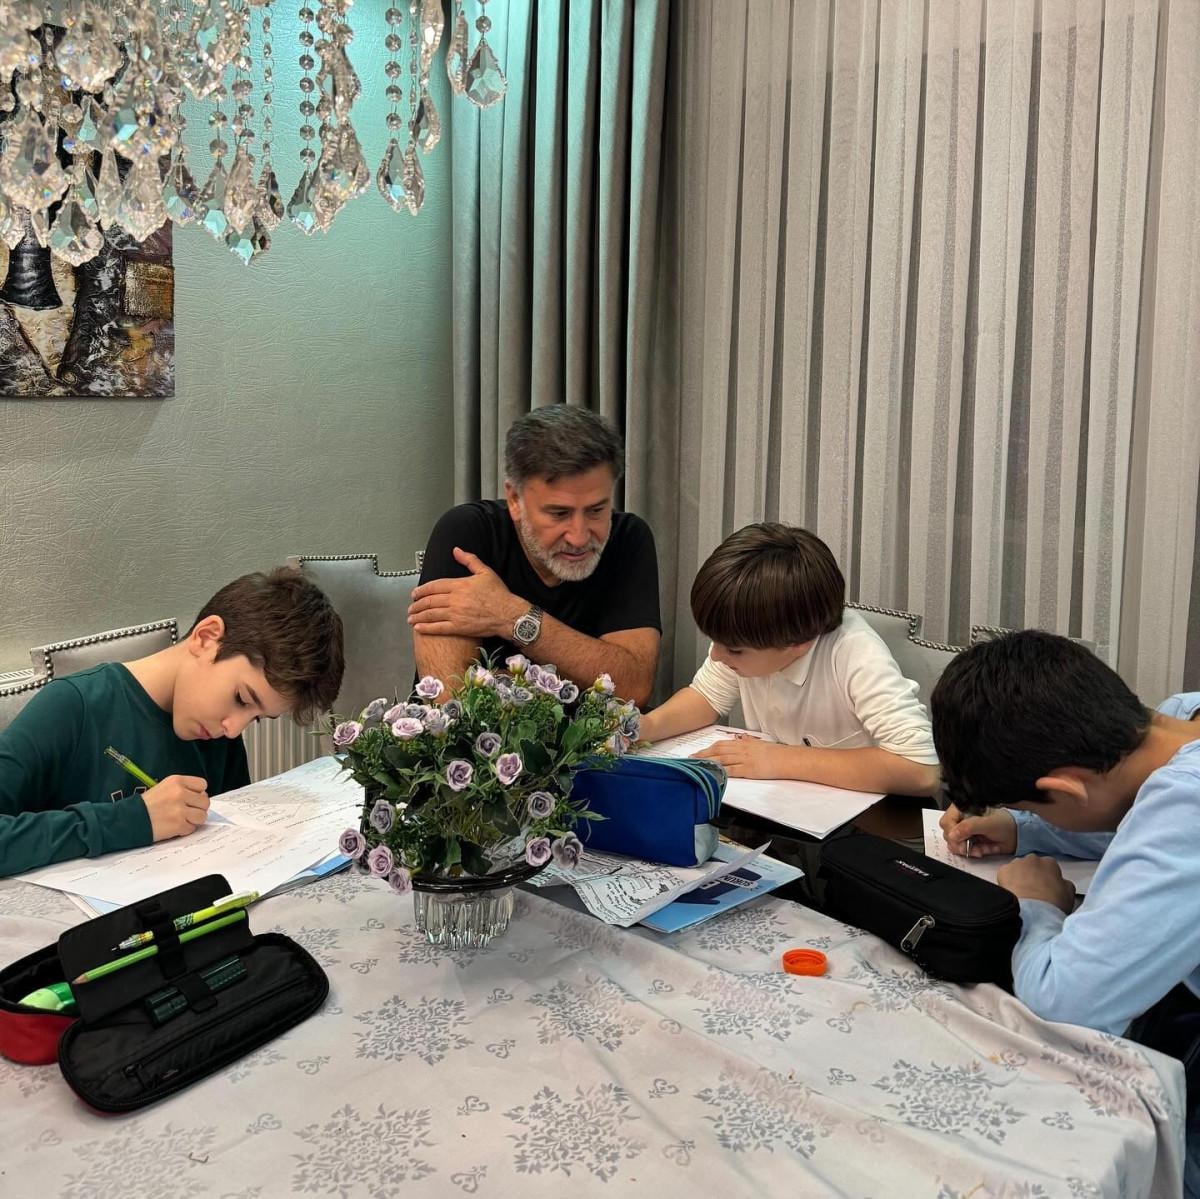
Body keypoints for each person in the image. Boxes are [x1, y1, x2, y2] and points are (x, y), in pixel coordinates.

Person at [931, 630, 1200, 1195]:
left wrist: (1037, 905)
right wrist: (1025, 826)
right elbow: (1136, 815)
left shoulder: (1188, 802)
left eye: (1033, 802)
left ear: (1065, 788)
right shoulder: (1178, 720)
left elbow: (1067, 1005)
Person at [0, 567, 345, 877]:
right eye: (241, 698)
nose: (233, 729)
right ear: (206, 638)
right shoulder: (74, 706)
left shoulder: (218, 734)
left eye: (256, 719)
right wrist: (132, 820)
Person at [638, 523, 939, 796]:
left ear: (798, 644)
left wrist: (780, 759)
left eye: (734, 650)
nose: (716, 655)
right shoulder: (754, 629)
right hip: (779, 805)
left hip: (857, 821)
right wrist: (647, 726)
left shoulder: (855, 653)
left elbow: (922, 770)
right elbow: (706, 697)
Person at [408, 405, 660, 707]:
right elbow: (449, 700)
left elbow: (634, 688)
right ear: (515, 499)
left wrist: (511, 615)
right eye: (559, 513)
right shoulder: (467, 532)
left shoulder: (628, 537)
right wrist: (581, 678)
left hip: (599, 741)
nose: (579, 537)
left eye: (596, 510)